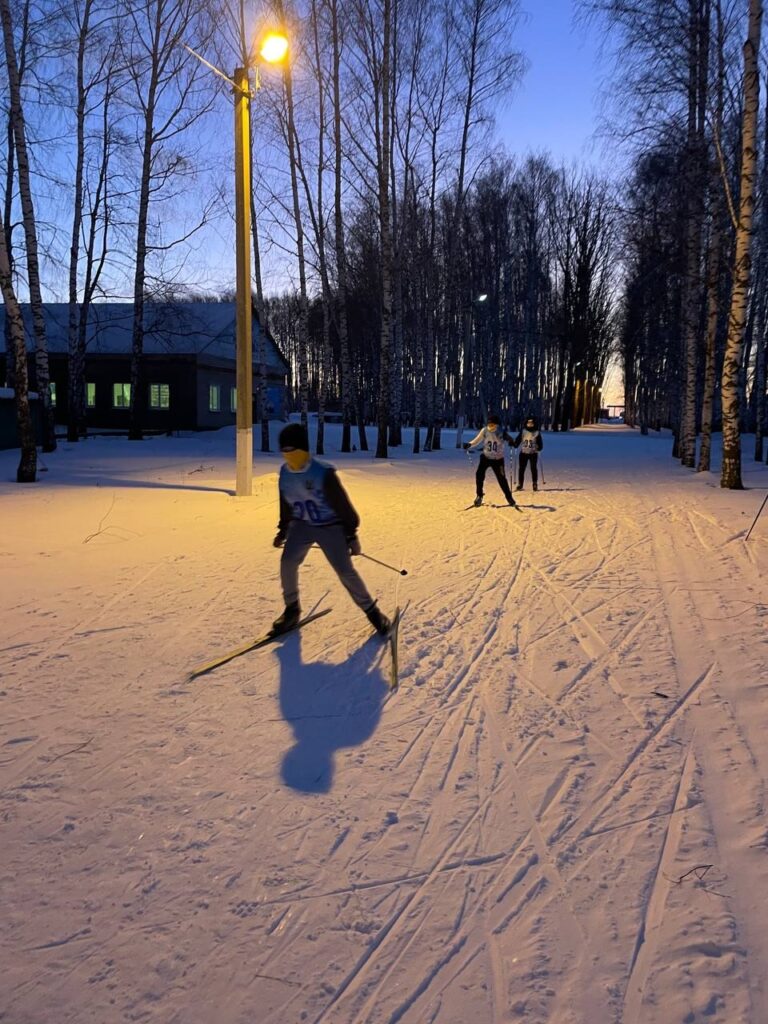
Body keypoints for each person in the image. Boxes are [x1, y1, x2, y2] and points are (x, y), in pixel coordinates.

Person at [272, 423, 391, 636]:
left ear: (304, 449)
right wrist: (283, 529)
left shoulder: (322, 473)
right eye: (285, 451)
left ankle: (373, 613)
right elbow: (285, 502)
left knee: (345, 571)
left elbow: (342, 505)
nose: (289, 455)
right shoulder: (285, 473)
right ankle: (291, 610)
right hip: (302, 525)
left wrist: (351, 535)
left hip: (329, 526)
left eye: (293, 450)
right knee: (287, 562)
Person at [463, 414, 516, 506]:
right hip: (486, 457)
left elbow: (510, 439)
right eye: (489, 424)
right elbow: (477, 440)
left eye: (493, 425)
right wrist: (469, 444)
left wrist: (511, 442)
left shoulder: (501, 432)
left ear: (497, 425)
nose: (491, 426)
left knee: (502, 479)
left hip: (498, 459)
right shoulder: (485, 430)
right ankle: (479, 496)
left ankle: (509, 497)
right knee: (479, 475)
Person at [512, 415, 543, 491]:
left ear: (534, 423)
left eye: (531, 423)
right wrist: (515, 444)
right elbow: (518, 440)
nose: (530, 424)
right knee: (521, 469)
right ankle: (520, 484)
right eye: (528, 423)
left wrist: (539, 447)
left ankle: (535, 483)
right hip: (523, 453)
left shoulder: (536, 432)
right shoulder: (523, 431)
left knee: (533, 468)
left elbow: (540, 443)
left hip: (533, 453)